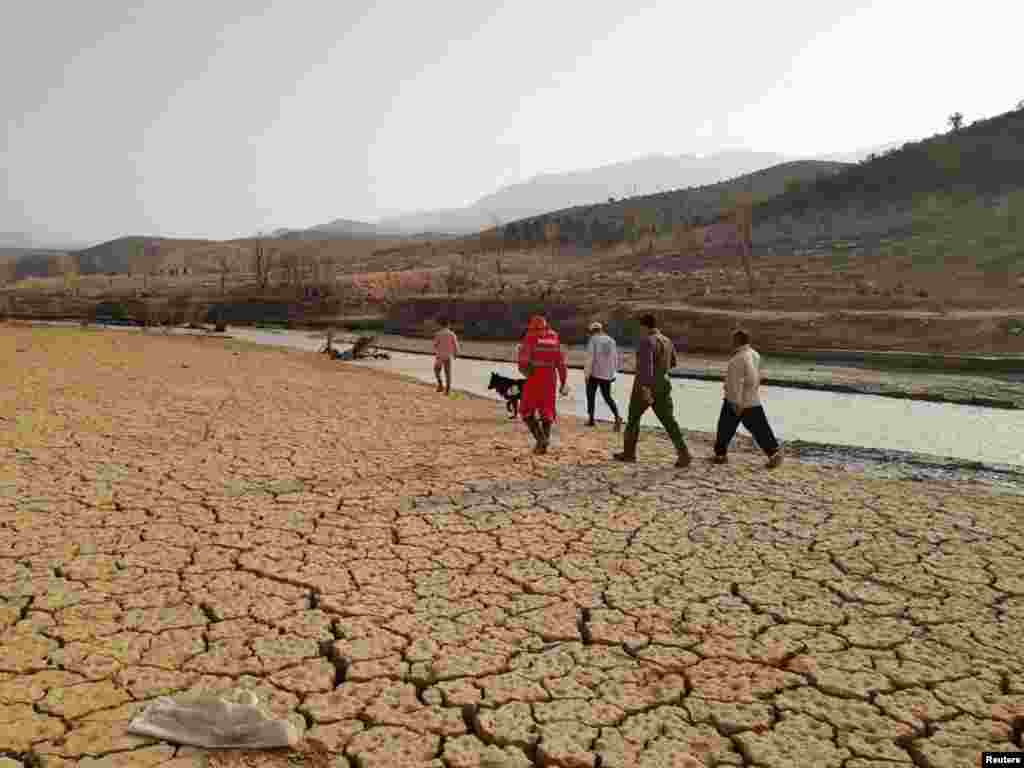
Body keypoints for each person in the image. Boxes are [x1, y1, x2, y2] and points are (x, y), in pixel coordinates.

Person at [614, 313, 692, 467]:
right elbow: (673, 363)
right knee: (669, 421)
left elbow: (646, 368)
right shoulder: (667, 340)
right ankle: (684, 453)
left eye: (640, 327)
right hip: (663, 383)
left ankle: (629, 453)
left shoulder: (646, 341)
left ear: (644, 326)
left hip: (645, 386)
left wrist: (646, 389)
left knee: (633, 419)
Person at [710, 328, 783, 468]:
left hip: (736, 401)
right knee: (761, 429)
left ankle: (720, 455)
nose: (731, 342)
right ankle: (774, 453)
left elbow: (735, 383)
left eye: (733, 340)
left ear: (737, 341)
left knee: (725, 427)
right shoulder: (754, 354)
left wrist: (736, 403)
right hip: (752, 399)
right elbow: (758, 375)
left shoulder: (737, 359)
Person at [518, 315, 569, 454]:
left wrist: (525, 372)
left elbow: (523, 363)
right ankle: (543, 445)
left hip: (535, 377)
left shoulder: (530, 338)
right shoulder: (554, 338)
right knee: (547, 412)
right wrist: (564, 382)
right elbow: (561, 363)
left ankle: (541, 440)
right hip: (551, 379)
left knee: (526, 411)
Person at [584, 321, 622, 431]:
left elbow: (590, 358)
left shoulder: (593, 340)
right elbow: (615, 358)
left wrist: (587, 374)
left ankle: (591, 419)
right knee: (607, 397)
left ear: (592, 331)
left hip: (594, 373)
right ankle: (617, 417)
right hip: (607, 374)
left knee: (590, 396)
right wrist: (613, 373)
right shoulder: (611, 340)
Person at [433, 317, 460, 394]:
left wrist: (437, 350)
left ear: (441, 325)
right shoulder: (452, 334)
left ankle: (440, 384)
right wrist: (455, 354)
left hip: (440, 356)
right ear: (448, 325)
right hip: (448, 356)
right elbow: (455, 345)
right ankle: (447, 390)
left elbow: (435, 345)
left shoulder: (438, 334)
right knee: (448, 373)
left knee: (436, 370)